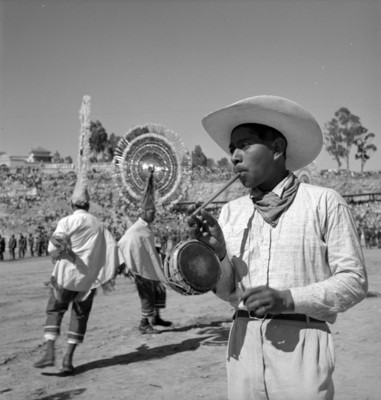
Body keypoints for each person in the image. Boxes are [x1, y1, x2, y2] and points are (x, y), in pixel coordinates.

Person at [187, 95, 368, 400]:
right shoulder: (231, 212)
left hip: (302, 344)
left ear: (276, 149)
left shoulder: (323, 202)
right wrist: (216, 254)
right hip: (243, 345)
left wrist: (288, 299)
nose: (234, 156)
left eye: (244, 145)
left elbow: (354, 281)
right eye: (232, 149)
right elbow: (230, 292)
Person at [33, 176, 121, 373]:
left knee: (55, 311)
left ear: (72, 204)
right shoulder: (99, 224)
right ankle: (67, 360)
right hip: (86, 283)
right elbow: (113, 248)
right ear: (88, 205)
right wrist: (106, 272)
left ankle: (49, 352)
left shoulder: (66, 222)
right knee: (79, 317)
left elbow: (52, 247)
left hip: (64, 278)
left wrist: (67, 253)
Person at [118, 168, 172, 334]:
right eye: (152, 212)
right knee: (147, 294)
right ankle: (144, 323)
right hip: (141, 269)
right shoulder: (136, 230)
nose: (154, 214)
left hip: (149, 266)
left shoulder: (146, 228)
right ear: (144, 211)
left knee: (159, 290)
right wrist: (127, 264)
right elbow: (123, 244)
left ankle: (156, 317)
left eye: (155, 212)